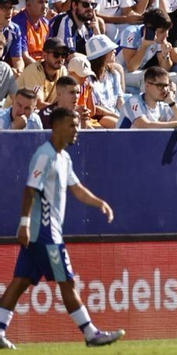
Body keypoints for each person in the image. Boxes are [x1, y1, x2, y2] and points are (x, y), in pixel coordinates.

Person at [0, 108, 124, 349]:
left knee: (20, 282)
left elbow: (76, 188)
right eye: (71, 125)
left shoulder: (64, 158)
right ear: (56, 127)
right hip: (44, 233)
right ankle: (91, 334)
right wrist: (25, 224)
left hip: (41, 233)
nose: (76, 130)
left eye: (76, 125)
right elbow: (30, 189)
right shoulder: (44, 155)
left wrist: (99, 203)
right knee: (67, 282)